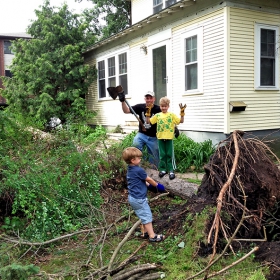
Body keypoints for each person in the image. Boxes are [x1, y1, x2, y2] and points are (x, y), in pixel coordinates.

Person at [122, 147, 166, 242]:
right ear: (133, 160)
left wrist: (148, 186)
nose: (140, 159)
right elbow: (148, 179)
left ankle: (145, 232)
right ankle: (152, 236)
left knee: (143, 215)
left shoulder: (130, 170)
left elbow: (139, 181)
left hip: (133, 198)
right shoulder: (139, 170)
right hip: (139, 199)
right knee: (147, 216)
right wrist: (158, 186)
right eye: (138, 158)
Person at [146, 97, 186, 180]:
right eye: (162, 106)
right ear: (160, 106)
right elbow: (148, 121)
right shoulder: (158, 115)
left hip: (169, 138)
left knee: (169, 154)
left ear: (168, 106)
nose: (163, 108)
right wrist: (148, 112)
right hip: (160, 138)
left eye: (165, 106)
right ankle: (163, 169)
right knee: (162, 154)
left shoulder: (171, 115)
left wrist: (182, 113)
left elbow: (181, 121)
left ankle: (171, 170)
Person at [119, 90, 161, 168]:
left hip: (153, 136)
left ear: (154, 99)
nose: (148, 100)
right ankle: (136, 166)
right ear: (145, 99)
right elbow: (126, 110)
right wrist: (122, 101)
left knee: (155, 157)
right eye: (147, 98)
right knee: (136, 144)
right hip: (142, 134)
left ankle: (153, 170)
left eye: (150, 98)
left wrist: (174, 128)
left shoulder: (158, 109)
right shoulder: (140, 107)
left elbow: (167, 117)